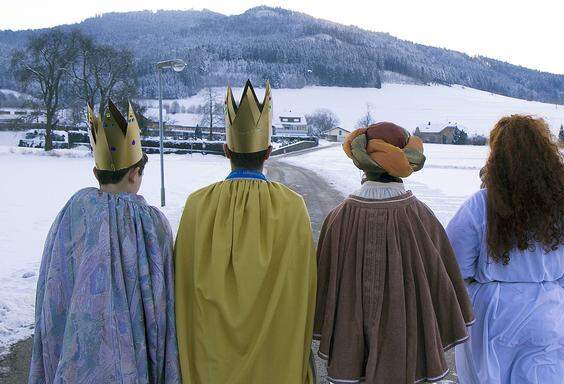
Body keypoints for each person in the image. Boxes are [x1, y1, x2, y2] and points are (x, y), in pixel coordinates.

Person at [174, 80, 316, 384]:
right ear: (268, 152)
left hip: (211, 363)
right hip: (276, 364)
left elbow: (182, 289)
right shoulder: (293, 208)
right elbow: (303, 289)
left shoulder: (197, 206)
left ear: (226, 150)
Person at [28, 101, 180, 383]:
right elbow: (161, 305)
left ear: (96, 173)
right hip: (132, 361)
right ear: (136, 174)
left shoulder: (75, 212)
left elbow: (53, 286)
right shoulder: (153, 223)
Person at [314, 122, 475, 384]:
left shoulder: (338, 217)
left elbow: (323, 284)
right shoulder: (421, 216)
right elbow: (441, 283)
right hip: (405, 346)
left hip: (350, 342)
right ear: (406, 163)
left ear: (363, 163)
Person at [446, 115, 564, 384]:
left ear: (497, 157)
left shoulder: (480, 205)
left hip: (493, 314)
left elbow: (454, 264)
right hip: (545, 314)